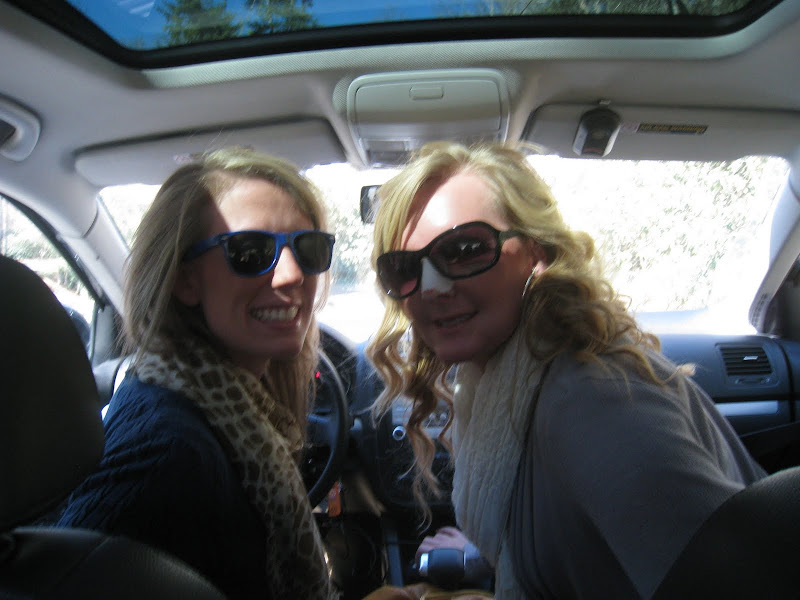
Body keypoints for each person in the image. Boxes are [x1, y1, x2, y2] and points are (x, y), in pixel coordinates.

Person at [366, 141, 767, 599]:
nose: (431, 288)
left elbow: (736, 584)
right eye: (404, 268)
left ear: (536, 253)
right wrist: (481, 553)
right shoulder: (508, 380)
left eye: (465, 250)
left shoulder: (593, 403)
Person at [58, 147, 339, 599]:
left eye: (308, 248)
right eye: (250, 251)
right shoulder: (167, 453)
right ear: (185, 280)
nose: (292, 275)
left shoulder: (198, 402)